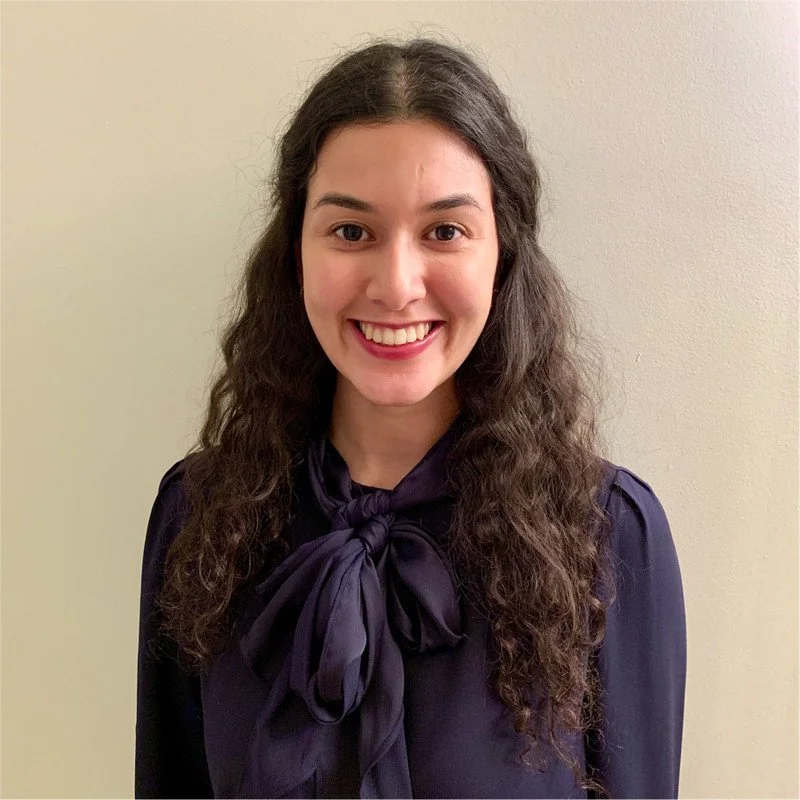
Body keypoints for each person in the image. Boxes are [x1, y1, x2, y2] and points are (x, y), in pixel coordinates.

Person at [135, 37, 686, 799]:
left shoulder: (606, 534)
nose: (396, 286)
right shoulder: (200, 517)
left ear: (503, 255)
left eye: (445, 231)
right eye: (351, 231)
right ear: (296, 251)